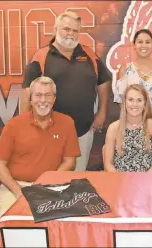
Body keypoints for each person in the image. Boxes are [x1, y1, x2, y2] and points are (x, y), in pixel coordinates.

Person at [20, 11, 111, 171]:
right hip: (49, 132)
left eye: (75, 30)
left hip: (83, 131)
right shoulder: (41, 56)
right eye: (66, 29)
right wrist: (26, 127)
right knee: (51, 178)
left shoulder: (89, 54)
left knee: (77, 177)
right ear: (56, 28)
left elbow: (103, 82)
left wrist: (102, 112)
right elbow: (27, 92)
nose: (70, 34)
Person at [0, 76, 81, 218]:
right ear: (30, 99)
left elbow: (70, 161)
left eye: (47, 95)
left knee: (61, 221)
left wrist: (49, 183)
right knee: (14, 221)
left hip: (52, 186)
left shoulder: (67, 123)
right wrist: (17, 190)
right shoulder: (13, 125)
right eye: (38, 95)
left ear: (54, 99)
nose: (43, 101)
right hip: (15, 187)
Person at [114, 29, 152, 144]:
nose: (144, 45)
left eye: (147, 42)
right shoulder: (125, 69)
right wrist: (137, 125)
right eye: (140, 42)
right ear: (134, 45)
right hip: (131, 127)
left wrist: (151, 125)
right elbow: (121, 102)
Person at [104, 84, 152, 172]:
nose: (134, 104)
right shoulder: (113, 128)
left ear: (145, 104)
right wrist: (119, 181)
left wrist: (144, 180)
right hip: (120, 181)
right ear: (124, 103)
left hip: (147, 180)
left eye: (139, 100)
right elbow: (108, 164)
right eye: (130, 100)